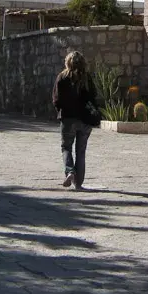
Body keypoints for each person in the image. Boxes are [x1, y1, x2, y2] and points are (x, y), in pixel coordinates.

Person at [52, 51, 98, 190]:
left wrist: (61, 111)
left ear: (67, 62)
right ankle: (78, 184)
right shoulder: (87, 78)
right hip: (85, 120)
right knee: (81, 151)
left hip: (68, 119)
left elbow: (56, 99)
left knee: (66, 147)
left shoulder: (62, 77)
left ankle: (70, 171)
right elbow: (94, 96)